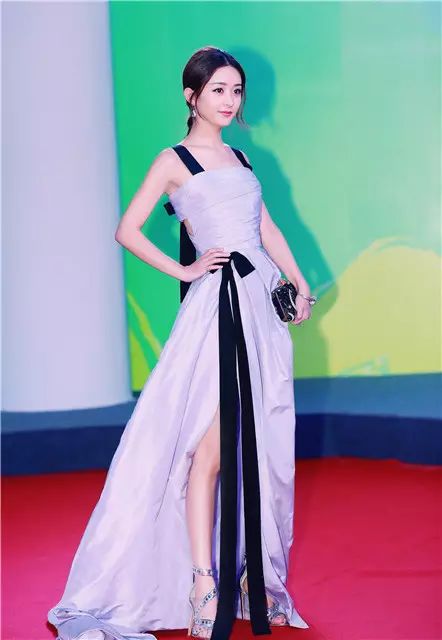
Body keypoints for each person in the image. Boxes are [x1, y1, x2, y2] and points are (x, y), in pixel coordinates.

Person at [48, 45, 313, 640]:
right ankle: (202, 582)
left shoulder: (242, 157)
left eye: (236, 90)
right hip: (217, 308)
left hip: (259, 304)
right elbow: (127, 229)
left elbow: (264, 227)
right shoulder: (174, 160)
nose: (230, 100)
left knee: (257, 441)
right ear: (191, 96)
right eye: (218, 90)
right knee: (209, 447)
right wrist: (185, 270)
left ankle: (251, 578)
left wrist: (297, 281)